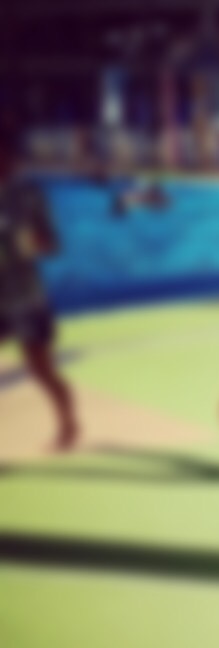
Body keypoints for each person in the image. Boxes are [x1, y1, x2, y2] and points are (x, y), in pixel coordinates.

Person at [0, 124, 79, 451]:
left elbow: (52, 244)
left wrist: (35, 243)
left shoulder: (28, 194)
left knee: (40, 369)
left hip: (26, 298)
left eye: (5, 154)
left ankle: (68, 423)